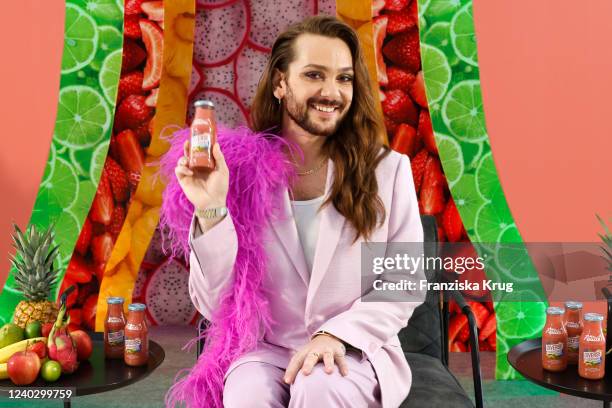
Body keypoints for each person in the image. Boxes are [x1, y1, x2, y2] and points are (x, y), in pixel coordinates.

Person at [174, 16, 425, 408]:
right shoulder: (237, 172)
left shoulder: (387, 170)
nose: (332, 91)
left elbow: (402, 283)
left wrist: (335, 335)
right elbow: (214, 305)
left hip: (353, 351)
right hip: (267, 351)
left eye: (344, 78)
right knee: (247, 395)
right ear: (280, 83)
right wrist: (211, 209)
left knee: (319, 386)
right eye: (314, 74)